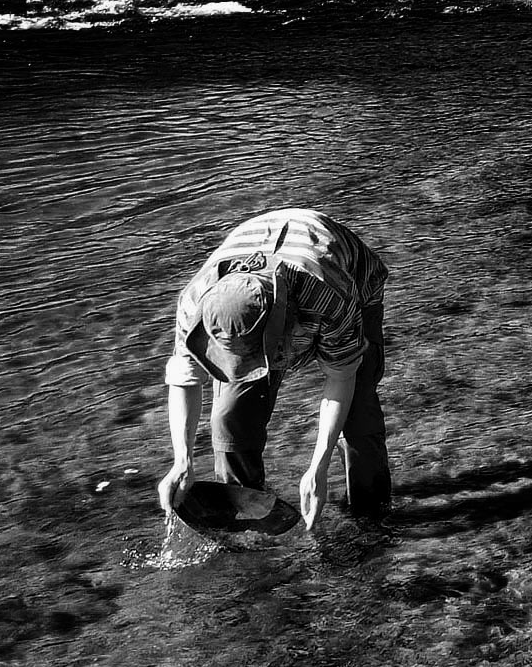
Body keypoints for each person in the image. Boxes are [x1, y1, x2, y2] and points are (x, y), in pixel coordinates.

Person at [157, 208, 391, 530]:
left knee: (358, 414)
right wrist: (182, 460)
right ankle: (246, 522)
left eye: (255, 359)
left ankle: (372, 521)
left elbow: (341, 377)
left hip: (348, 279)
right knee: (230, 417)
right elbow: (184, 378)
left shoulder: (330, 296)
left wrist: (318, 466)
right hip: (258, 271)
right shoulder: (195, 302)